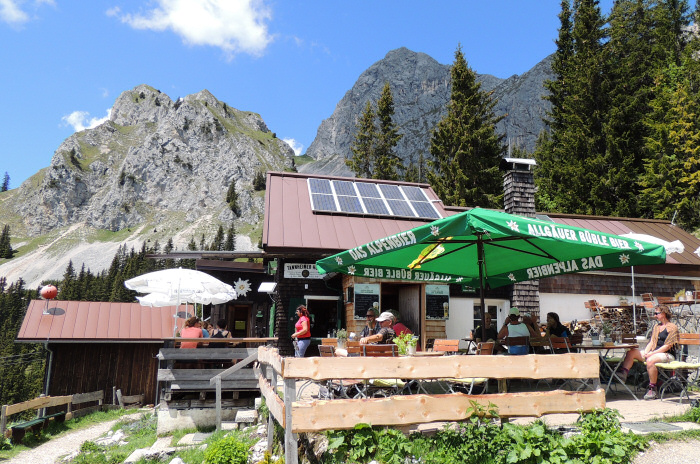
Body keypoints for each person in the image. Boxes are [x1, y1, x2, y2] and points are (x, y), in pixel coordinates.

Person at [616, 305, 678, 400]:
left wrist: (651, 354)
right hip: (654, 353)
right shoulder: (656, 327)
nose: (655, 315)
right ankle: (622, 375)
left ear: (663, 313)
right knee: (632, 352)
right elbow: (652, 342)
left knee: (650, 360)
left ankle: (653, 389)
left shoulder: (672, 327)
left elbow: (668, 346)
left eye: (657, 313)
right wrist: (645, 352)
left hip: (667, 355)